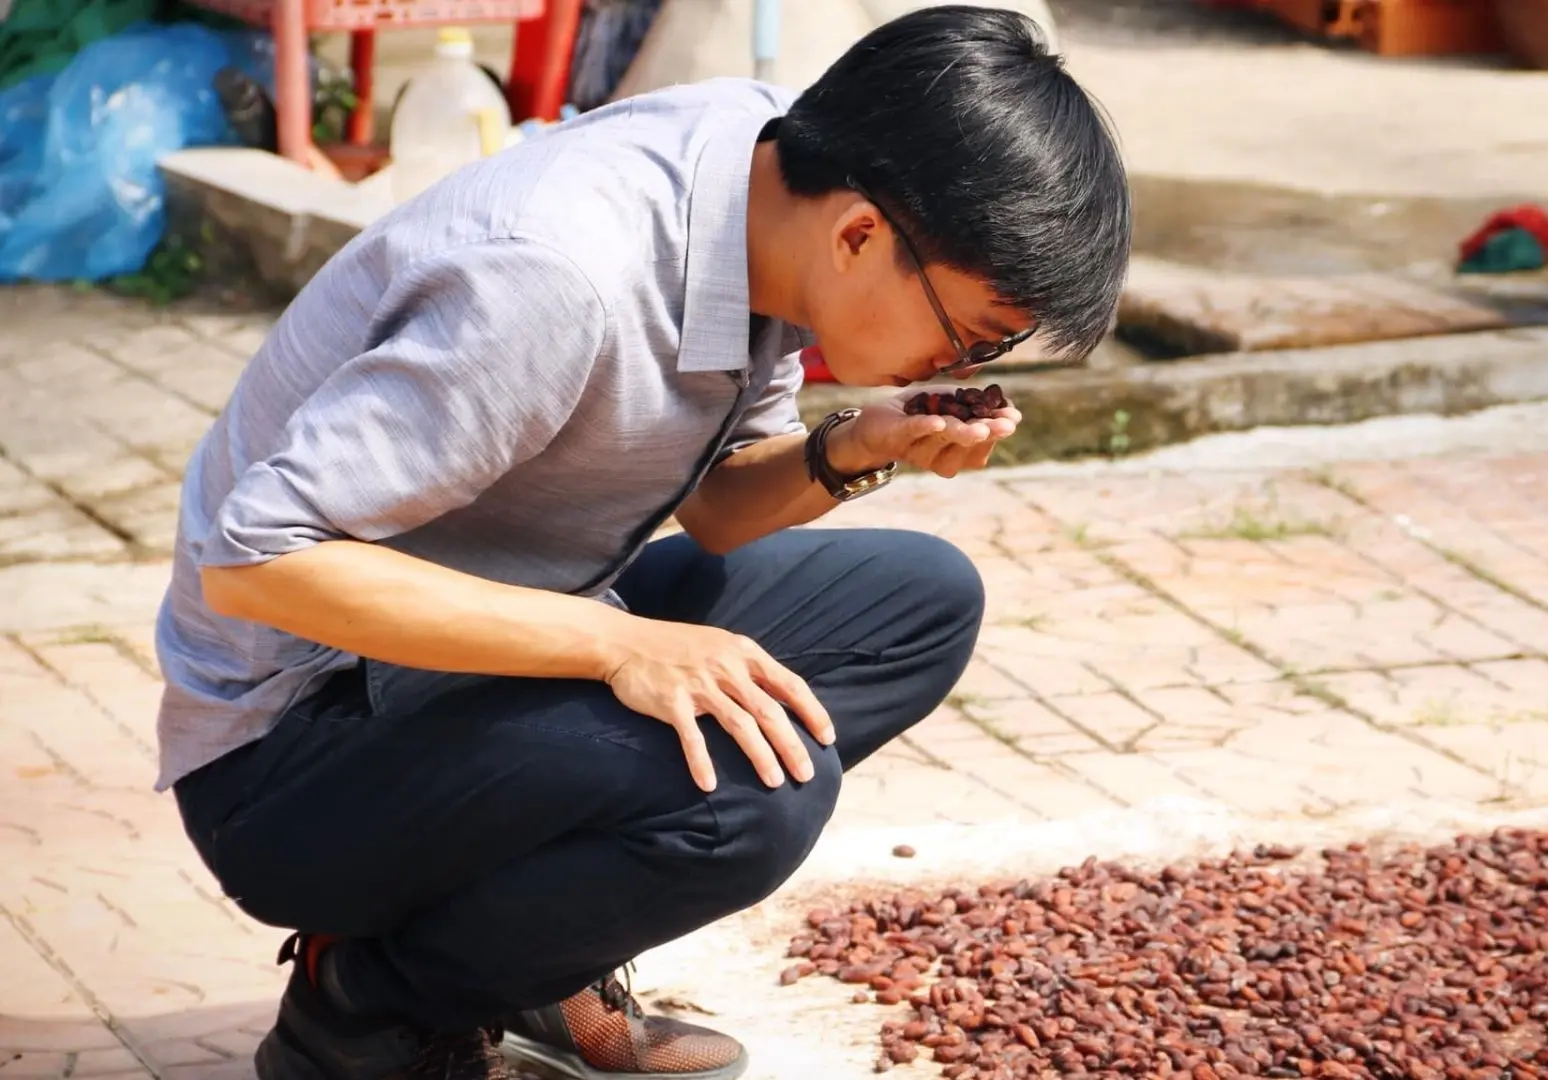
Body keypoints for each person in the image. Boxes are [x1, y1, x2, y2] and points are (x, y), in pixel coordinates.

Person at [152, 6, 1131, 1080]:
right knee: (755, 794)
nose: (970, 357)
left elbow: (713, 508)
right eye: (977, 331)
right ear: (860, 235)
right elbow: (254, 565)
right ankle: (367, 1006)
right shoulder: (556, 279)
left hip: (479, 641)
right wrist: (622, 648)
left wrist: (858, 448)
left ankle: (528, 952)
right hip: (294, 754)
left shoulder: (768, 170)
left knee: (916, 602)